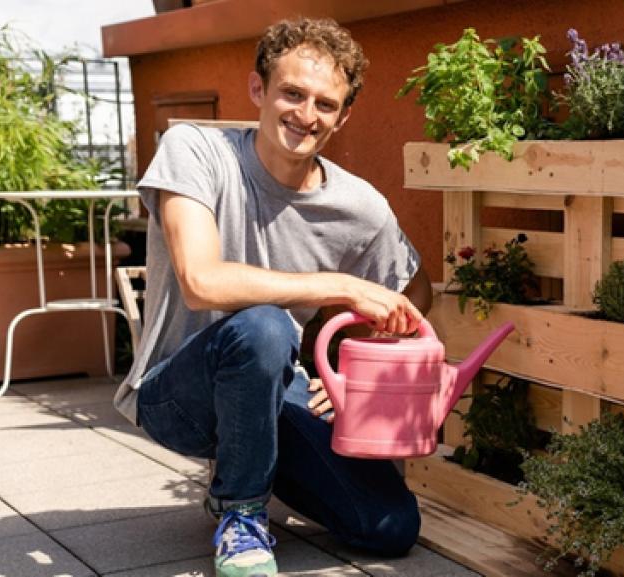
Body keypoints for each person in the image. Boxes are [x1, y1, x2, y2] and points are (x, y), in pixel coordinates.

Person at [113, 17, 432, 577]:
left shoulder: (358, 206)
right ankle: (241, 513)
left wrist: (354, 376)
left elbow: (415, 289)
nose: (306, 115)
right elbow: (202, 282)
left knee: (391, 526)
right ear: (258, 90)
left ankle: (248, 467)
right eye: (292, 93)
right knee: (265, 325)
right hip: (176, 394)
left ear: (344, 115)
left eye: (325, 104)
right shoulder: (196, 150)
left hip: (272, 388)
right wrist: (340, 285)